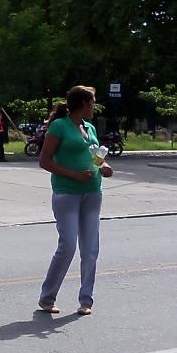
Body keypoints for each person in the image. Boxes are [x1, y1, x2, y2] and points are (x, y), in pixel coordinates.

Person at [37, 86, 112, 316]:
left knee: (90, 249)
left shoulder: (89, 128)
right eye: (93, 102)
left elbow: (94, 156)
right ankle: (47, 297)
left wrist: (104, 165)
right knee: (68, 245)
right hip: (67, 192)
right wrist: (74, 175)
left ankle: (86, 300)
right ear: (83, 104)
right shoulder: (59, 126)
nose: (95, 107)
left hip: (92, 191)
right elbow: (45, 161)